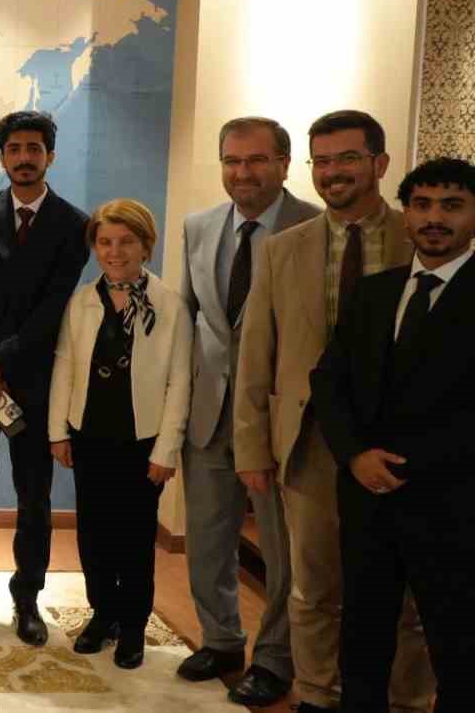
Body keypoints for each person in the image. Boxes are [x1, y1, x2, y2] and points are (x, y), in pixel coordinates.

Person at [234, 110, 433, 712]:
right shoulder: (281, 251)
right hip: (311, 441)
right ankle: (319, 694)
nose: (333, 172)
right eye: (322, 161)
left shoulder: (419, 238)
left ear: (379, 163)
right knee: (312, 585)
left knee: (409, 594)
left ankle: (406, 699)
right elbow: (257, 356)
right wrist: (252, 448)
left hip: (402, 447)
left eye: (347, 158)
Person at [311, 157, 475, 713]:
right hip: (367, 498)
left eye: (452, 206)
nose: (434, 218)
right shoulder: (374, 292)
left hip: (453, 507)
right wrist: (355, 455)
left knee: (457, 646)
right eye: (422, 205)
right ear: (406, 214)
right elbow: (328, 381)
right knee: (363, 636)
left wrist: (410, 466)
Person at [177, 117, 317, 705]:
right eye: (232, 161)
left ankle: (276, 659)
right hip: (210, 414)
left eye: (257, 160)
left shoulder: (315, 227)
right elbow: (189, 320)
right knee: (208, 541)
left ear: (284, 163)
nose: (243, 172)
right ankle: (221, 640)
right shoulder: (198, 227)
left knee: (284, 552)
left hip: (280, 423)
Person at [0, 110, 89, 644]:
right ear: (2, 155)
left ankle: (27, 597)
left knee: (34, 496)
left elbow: (53, 309)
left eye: (34, 148)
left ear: (50, 155)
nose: (25, 158)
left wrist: (0, 364)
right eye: (15, 149)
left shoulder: (74, 224)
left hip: (33, 383)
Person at [48, 199, 191, 669]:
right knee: (93, 533)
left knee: (133, 536)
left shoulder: (169, 305)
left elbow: (179, 382)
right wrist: (57, 431)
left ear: (146, 246)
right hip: (89, 434)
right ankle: (103, 613)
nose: (115, 252)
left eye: (126, 242)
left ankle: (132, 625)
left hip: (142, 440)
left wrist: (166, 449)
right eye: (105, 242)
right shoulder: (82, 301)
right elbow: (65, 367)